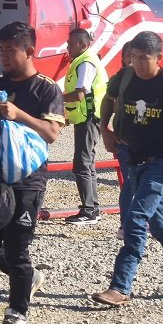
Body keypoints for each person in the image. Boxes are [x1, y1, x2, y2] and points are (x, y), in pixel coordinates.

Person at [92, 31, 163, 306]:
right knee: (159, 222)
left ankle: (120, 287)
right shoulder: (125, 76)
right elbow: (107, 99)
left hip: (162, 160)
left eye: (144, 59)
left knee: (135, 218)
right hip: (130, 155)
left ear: (159, 57)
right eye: (134, 58)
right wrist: (105, 129)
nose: (138, 64)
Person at [0, 21, 65, 324]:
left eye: (10, 50)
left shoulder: (47, 89)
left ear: (29, 51)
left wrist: (19, 115)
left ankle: (16, 314)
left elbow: (52, 133)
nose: (4, 57)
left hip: (28, 179)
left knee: (17, 248)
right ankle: (30, 278)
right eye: (0, 50)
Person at [63, 28, 108, 225]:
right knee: (86, 162)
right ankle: (92, 208)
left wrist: (53, 98)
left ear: (83, 45)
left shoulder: (86, 63)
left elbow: (80, 93)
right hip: (84, 117)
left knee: (82, 163)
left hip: (88, 118)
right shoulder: (83, 60)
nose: (67, 47)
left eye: (71, 44)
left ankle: (89, 210)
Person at [113, 40, 135, 240]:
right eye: (129, 55)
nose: (132, 60)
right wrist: (104, 130)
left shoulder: (157, 80)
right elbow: (107, 102)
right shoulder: (120, 80)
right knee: (130, 183)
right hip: (125, 142)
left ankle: (152, 222)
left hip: (150, 143)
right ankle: (125, 225)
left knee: (150, 184)